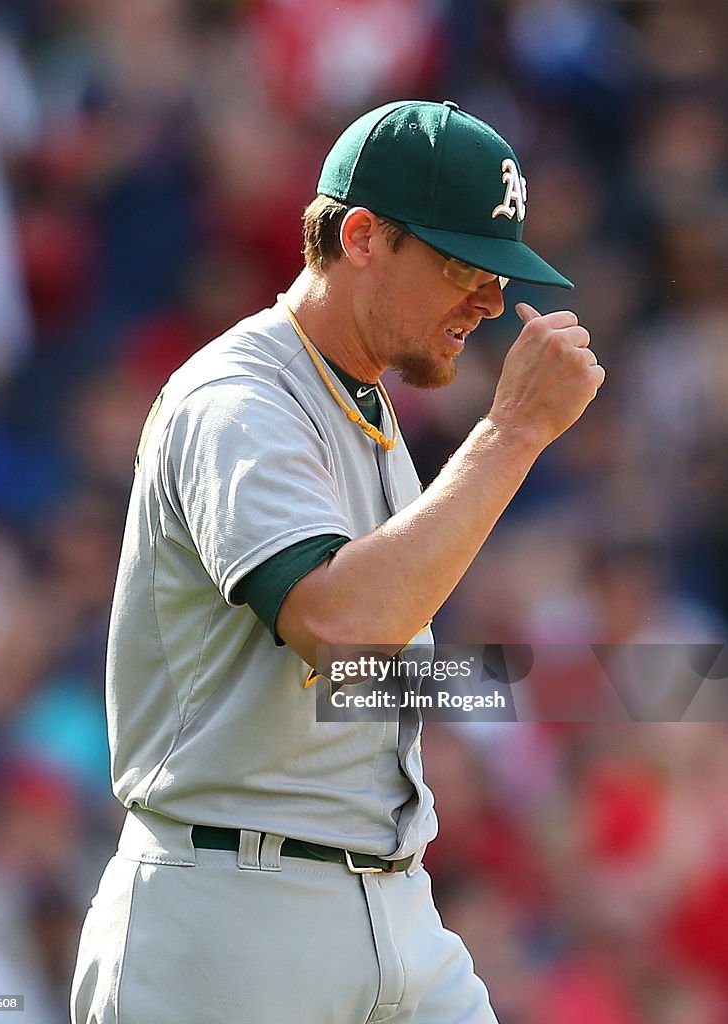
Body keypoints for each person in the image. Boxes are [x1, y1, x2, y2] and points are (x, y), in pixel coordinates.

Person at [70, 99, 604, 1024]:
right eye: (461, 266)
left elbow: (355, 671)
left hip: (390, 902)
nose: (490, 300)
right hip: (231, 910)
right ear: (361, 237)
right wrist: (512, 432)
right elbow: (337, 622)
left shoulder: (365, 406)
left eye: (499, 271)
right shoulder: (238, 396)